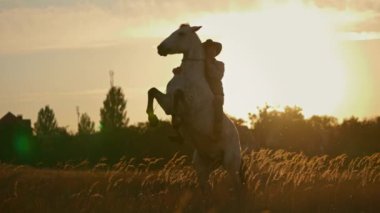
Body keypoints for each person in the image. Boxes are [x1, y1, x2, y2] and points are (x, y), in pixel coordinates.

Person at [170, 39, 225, 143]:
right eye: (208, 49)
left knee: (217, 104)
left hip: (215, 93)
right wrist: (179, 70)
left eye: (212, 49)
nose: (210, 51)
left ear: (215, 51)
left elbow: (217, 76)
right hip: (199, 93)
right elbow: (189, 71)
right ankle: (178, 128)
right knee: (179, 96)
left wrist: (207, 63)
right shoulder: (198, 64)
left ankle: (217, 133)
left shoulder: (220, 64)